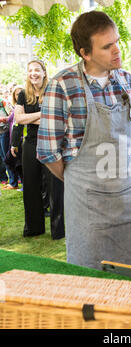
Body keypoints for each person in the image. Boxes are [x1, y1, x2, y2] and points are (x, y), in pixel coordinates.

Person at [37, 11, 131, 270]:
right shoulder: (62, 86)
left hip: (129, 200)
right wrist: (83, 177)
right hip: (86, 204)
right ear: (85, 53)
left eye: (117, 41)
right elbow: (48, 153)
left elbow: (130, 137)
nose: (117, 50)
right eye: (107, 46)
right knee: (90, 280)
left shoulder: (128, 81)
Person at [14, 59, 65, 240]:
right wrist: (42, 115)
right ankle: (34, 228)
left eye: (37, 70)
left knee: (55, 186)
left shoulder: (52, 90)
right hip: (30, 144)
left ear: (44, 72)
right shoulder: (23, 94)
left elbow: (57, 117)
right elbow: (18, 119)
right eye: (30, 70)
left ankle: (59, 229)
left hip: (50, 142)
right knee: (30, 186)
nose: (33, 73)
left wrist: (29, 117)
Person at [0, 95, 18, 190]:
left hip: (5, 132)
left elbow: (12, 116)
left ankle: (14, 182)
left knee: (7, 157)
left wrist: (2, 119)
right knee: (3, 158)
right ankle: (12, 180)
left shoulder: (3, 102)